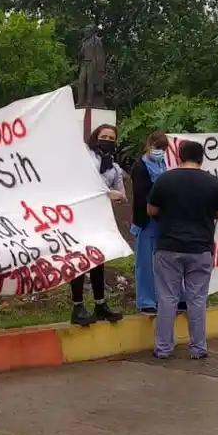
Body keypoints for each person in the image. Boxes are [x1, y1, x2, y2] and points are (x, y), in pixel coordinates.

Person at [146, 140, 218, 359]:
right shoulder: (212, 182)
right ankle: (198, 349)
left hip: (168, 248)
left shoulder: (165, 179)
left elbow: (150, 209)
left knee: (167, 299)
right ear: (201, 158)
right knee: (197, 300)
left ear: (179, 156)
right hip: (200, 248)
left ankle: (163, 349)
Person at [71, 124, 127, 326]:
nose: (108, 140)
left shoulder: (113, 166)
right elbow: (80, 185)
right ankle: (78, 306)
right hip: (79, 217)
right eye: (104, 136)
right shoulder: (85, 158)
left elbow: (121, 194)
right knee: (78, 261)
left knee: (98, 260)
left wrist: (117, 196)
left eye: (112, 138)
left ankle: (100, 304)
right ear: (96, 137)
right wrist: (106, 193)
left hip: (100, 219)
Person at [129, 132, 170, 314]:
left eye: (163, 149)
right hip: (146, 220)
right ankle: (146, 302)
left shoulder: (162, 164)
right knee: (145, 262)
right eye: (157, 148)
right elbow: (141, 197)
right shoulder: (140, 167)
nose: (159, 152)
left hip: (163, 220)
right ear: (149, 145)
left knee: (163, 264)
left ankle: (161, 299)